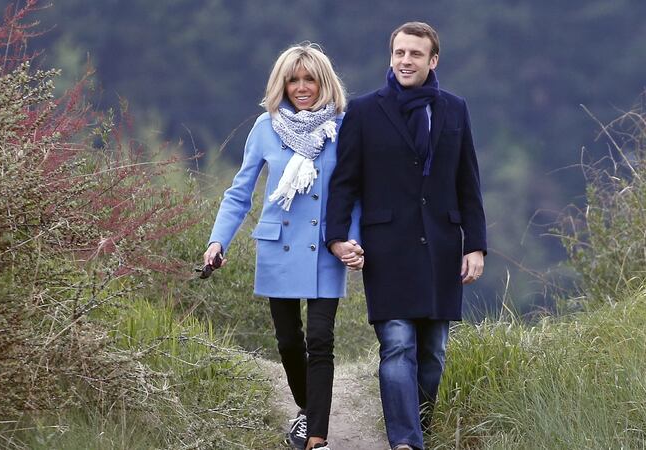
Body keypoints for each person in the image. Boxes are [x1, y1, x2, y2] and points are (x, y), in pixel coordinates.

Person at [325, 22, 486, 450]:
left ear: (433, 60)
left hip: (442, 247)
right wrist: (336, 236)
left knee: (433, 354)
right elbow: (345, 181)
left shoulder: (455, 109)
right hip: (387, 248)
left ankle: (420, 431)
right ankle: (405, 442)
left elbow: (468, 181)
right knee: (397, 345)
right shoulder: (364, 111)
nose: (405, 61)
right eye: (399, 53)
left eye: (415, 54)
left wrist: (476, 245)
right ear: (390, 57)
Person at [204, 43, 362, 450]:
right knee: (289, 341)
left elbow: (356, 192)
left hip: (327, 246)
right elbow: (240, 193)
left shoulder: (344, 128)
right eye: (294, 79)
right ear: (282, 83)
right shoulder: (266, 127)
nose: (302, 87)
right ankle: (307, 410)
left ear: (324, 82)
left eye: (310, 79)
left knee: (322, 340)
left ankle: (317, 438)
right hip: (278, 246)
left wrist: (353, 239)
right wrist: (218, 241)